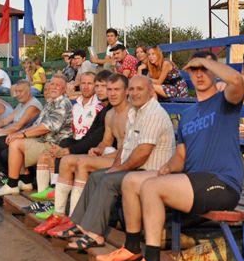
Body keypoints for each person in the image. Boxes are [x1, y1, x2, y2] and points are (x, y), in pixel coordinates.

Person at [102, 51, 244, 261]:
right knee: (131, 181)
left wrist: (206, 61)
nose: (199, 74)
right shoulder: (188, 115)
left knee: (151, 188)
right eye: (194, 70)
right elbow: (181, 155)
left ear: (214, 71)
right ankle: (131, 247)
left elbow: (237, 81)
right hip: (194, 181)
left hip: (222, 184)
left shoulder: (225, 102)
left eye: (204, 69)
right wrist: (167, 168)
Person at [65, 75, 175, 251]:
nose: (135, 93)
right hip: (138, 169)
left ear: (151, 91)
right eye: (132, 89)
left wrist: (118, 170)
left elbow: (142, 153)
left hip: (153, 172)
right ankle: (81, 225)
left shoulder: (154, 113)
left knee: (109, 180)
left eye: (140, 89)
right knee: (96, 176)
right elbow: (126, 148)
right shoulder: (136, 112)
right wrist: (115, 167)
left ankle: (95, 234)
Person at [37, 72, 129, 236]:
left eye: (115, 89)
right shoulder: (109, 113)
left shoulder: (131, 112)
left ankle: (74, 219)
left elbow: (129, 147)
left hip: (125, 158)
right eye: (109, 89)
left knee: (80, 162)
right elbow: (105, 140)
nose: (111, 93)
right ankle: (59, 214)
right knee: (66, 161)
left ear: (126, 91)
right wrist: (98, 149)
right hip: (111, 154)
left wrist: (101, 152)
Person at [0, 75, 73, 197]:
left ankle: (12, 184)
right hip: (43, 141)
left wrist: (22, 134)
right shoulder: (51, 103)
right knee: (12, 140)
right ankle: (25, 181)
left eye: (58, 85)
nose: (54, 87)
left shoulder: (63, 103)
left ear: (64, 89)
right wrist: (18, 134)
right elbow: (36, 125)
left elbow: (46, 127)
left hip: (54, 145)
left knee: (16, 143)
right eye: (52, 84)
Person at [28, 71, 103, 205]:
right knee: (46, 155)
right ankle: (43, 203)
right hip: (72, 143)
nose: (86, 87)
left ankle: (52, 202)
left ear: (96, 86)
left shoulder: (99, 105)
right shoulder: (74, 104)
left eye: (90, 83)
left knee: (54, 157)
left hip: (87, 147)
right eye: (83, 83)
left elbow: (94, 137)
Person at [0, 81, 43, 183]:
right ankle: (3, 172)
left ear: (29, 92)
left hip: (27, 136)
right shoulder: (21, 104)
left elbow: (17, 127)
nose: (17, 94)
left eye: (20, 91)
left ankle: (9, 175)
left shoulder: (33, 106)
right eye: (16, 91)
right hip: (16, 134)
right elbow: (5, 121)